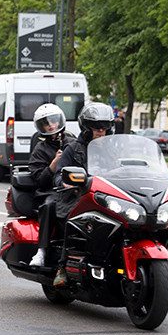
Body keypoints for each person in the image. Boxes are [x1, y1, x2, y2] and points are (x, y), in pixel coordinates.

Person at [51, 101, 115, 286]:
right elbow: (58, 176)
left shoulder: (112, 151)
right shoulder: (73, 149)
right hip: (76, 198)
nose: (101, 131)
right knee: (75, 222)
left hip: (105, 198)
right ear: (86, 127)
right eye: (96, 127)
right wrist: (67, 182)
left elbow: (123, 170)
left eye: (105, 127)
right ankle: (62, 268)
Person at [28, 104, 76, 267]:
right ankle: (41, 251)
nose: (50, 125)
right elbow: (40, 180)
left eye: (53, 121)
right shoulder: (39, 150)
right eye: (45, 123)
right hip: (51, 191)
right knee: (50, 205)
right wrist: (53, 164)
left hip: (75, 189)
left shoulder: (73, 143)